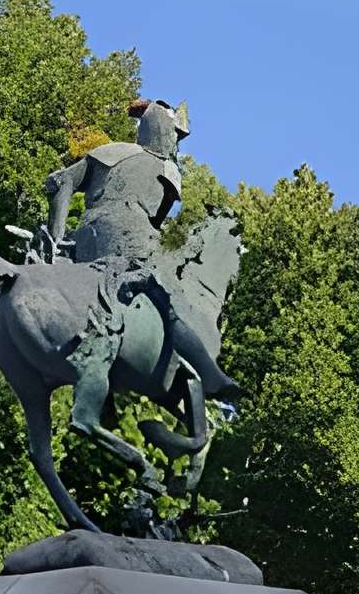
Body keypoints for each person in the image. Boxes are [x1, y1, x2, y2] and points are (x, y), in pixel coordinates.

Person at [42, 98, 236, 400]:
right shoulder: (166, 170)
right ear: (162, 129)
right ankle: (206, 372)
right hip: (127, 237)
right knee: (170, 294)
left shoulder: (109, 152)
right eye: (175, 134)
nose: (176, 142)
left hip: (85, 238)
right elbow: (155, 225)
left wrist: (56, 239)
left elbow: (59, 182)